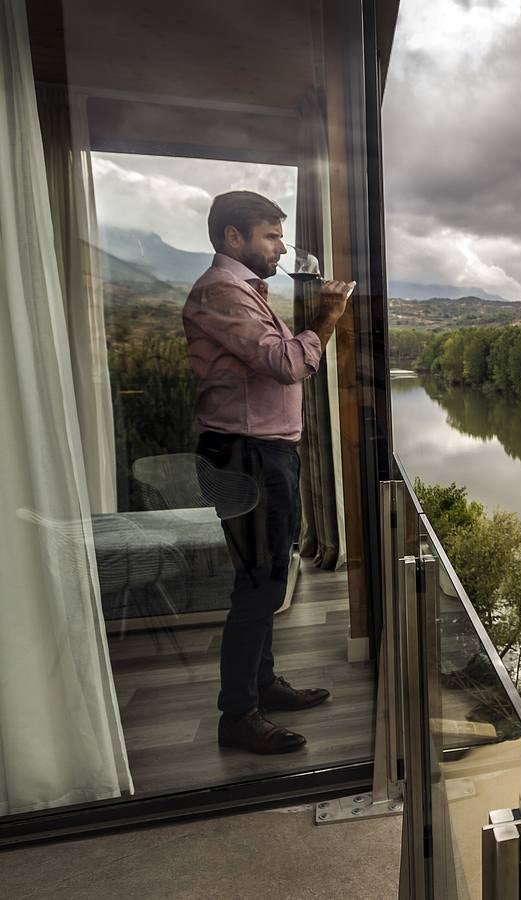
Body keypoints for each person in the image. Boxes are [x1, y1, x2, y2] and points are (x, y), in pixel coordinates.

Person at [183, 190, 354, 754]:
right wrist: (327, 318)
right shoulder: (222, 292)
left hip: (256, 453)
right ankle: (238, 716)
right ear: (234, 237)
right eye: (271, 237)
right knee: (258, 585)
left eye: (281, 236)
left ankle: (262, 685)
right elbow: (285, 364)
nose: (281, 248)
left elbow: (274, 356)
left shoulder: (243, 293)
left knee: (266, 578)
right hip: (247, 455)